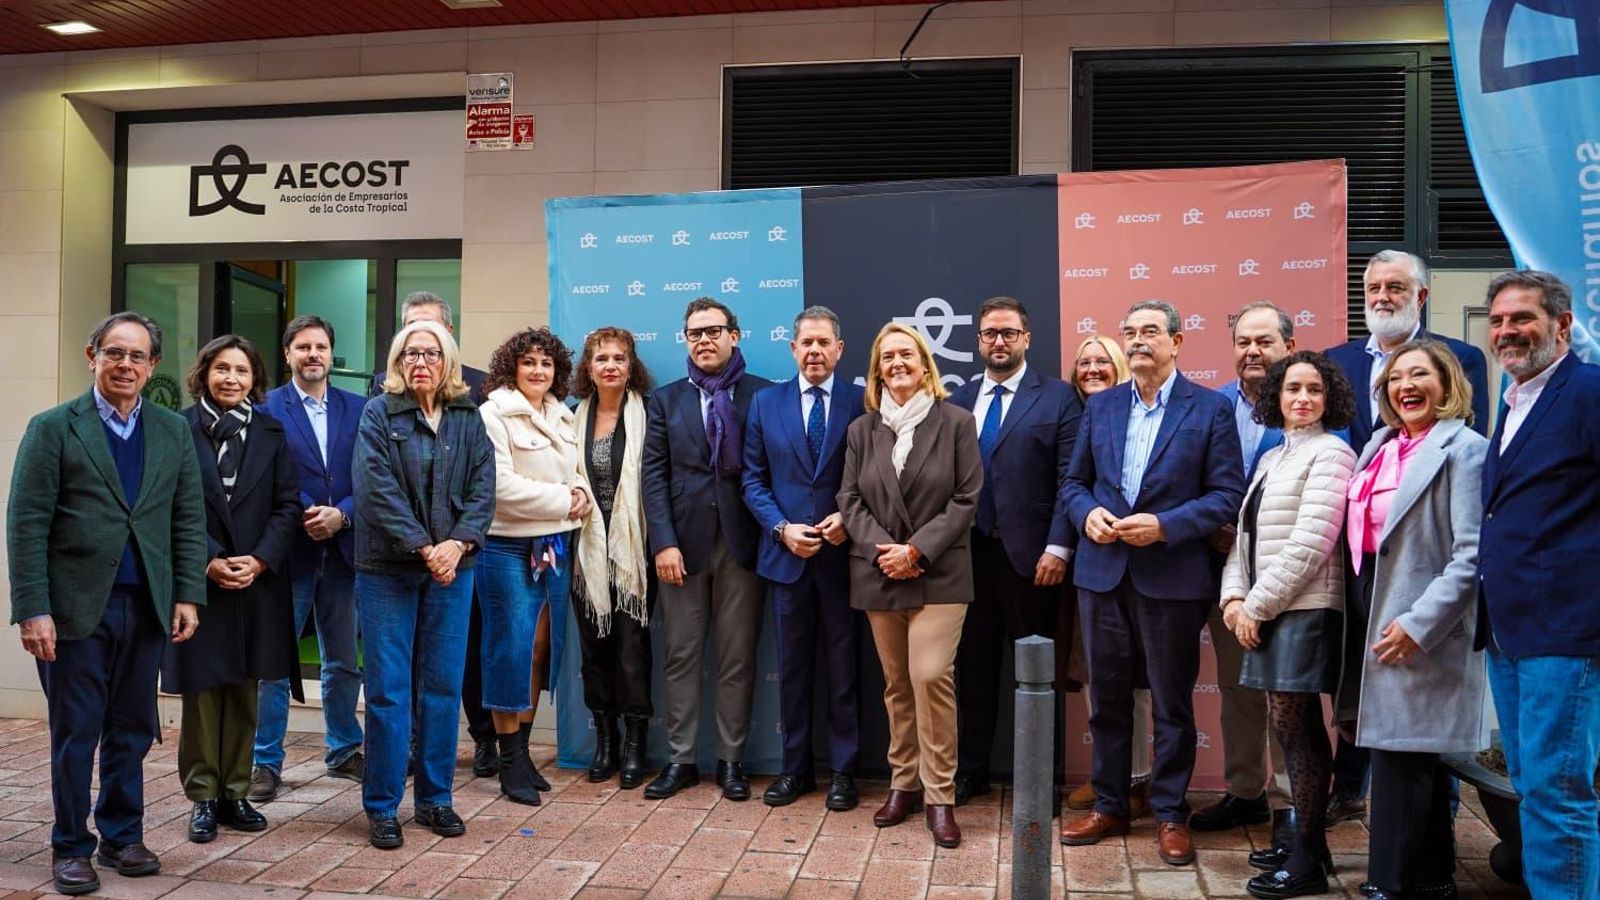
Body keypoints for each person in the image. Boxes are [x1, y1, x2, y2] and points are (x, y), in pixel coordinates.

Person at [8, 312, 207, 895]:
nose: (125, 365)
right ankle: (71, 846)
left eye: (137, 356)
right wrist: (33, 608)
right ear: (91, 356)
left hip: (146, 605)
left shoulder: (172, 431)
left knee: (132, 729)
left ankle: (123, 835)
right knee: (77, 731)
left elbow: (187, 518)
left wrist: (188, 593)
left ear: (152, 366)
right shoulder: (53, 428)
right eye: (114, 353)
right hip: (73, 611)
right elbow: (26, 523)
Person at [1057, 301, 1244, 867]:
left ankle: (1168, 812)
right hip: (1102, 573)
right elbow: (1073, 482)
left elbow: (1225, 496)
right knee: (1107, 700)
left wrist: (1165, 526)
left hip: (1172, 577)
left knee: (1170, 705)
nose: (1139, 342)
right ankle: (1111, 804)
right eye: (1130, 333)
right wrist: (1086, 513)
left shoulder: (1209, 409)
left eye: (1151, 332)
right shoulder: (1103, 406)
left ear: (1178, 342)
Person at [1322, 250, 1489, 823]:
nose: (1382, 297)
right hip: (1358, 561)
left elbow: (1468, 451)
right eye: (1373, 288)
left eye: (1396, 287)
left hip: (1423, 556)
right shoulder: (1337, 359)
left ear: (1421, 295)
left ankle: (1430, 822)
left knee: (1419, 699)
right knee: (1361, 680)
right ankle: (1350, 789)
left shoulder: (1462, 357)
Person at [1338, 338, 1488, 900]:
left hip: (1418, 623)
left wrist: (1418, 625)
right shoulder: (1378, 444)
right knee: (1411, 754)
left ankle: (1388, 885)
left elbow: (1472, 555)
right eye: (1396, 378)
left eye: (1420, 375)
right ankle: (1432, 878)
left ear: (1447, 385)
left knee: (1401, 755)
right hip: (1370, 606)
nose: (1406, 386)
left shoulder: (1466, 449)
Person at [1477, 270, 1600, 900]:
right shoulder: (1513, 398)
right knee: (1531, 782)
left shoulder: (1587, 392)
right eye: (1498, 320)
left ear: (1562, 323)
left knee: (1558, 789)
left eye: (1521, 318)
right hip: (1509, 628)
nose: (1507, 331)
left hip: (1565, 628)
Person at [1217, 351, 1357, 899]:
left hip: (1304, 608)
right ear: (1275, 397)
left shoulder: (1332, 453)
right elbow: (1244, 541)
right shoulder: (1276, 456)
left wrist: (1256, 607)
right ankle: (1312, 845)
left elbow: (1311, 544)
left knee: (1296, 731)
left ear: (1330, 399)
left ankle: (1306, 860)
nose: (1302, 398)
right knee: (1288, 728)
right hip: (1270, 607)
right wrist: (1233, 598)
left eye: (1314, 390)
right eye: (1292, 388)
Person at [837, 322, 982, 849]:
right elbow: (849, 499)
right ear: (877, 370)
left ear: (926, 364)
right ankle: (903, 784)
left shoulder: (957, 422)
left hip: (939, 572)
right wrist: (886, 552)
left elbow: (966, 499)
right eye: (887, 357)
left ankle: (940, 794)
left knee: (929, 676)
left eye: (907, 354)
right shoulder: (862, 430)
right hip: (880, 572)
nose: (897, 363)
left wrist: (916, 550)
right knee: (896, 683)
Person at [353, 320, 495, 850]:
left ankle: (436, 800)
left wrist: (458, 544)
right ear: (396, 361)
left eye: (431, 353)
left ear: (448, 361)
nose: (420, 362)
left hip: (454, 570)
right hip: (388, 570)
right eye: (410, 353)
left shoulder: (466, 415)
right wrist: (424, 546)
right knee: (389, 692)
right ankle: (383, 806)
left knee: (440, 689)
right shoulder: (378, 413)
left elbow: (485, 487)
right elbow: (375, 489)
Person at [164, 335, 302, 843]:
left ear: (254, 380)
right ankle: (202, 796)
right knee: (203, 690)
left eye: (242, 371)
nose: (231, 379)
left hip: (256, 580)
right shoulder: (177, 428)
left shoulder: (271, 430)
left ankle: (236, 792)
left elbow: (288, 504)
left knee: (247, 687)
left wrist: (260, 559)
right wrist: (207, 560)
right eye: (222, 369)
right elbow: (168, 505)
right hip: (199, 581)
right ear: (204, 373)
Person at [948, 297, 1081, 806]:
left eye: (1008, 333)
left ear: (1026, 338)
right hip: (968, 559)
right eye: (988, 334)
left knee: (1036, 674)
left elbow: (1071, 478)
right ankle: (972, 770)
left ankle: (1040, 780)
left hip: (1034, 562)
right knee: (974, 671)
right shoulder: (958, 401)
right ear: (978, 341)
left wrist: (1058, 546)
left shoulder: (1057, 398)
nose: (998, 341)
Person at [642, 297, 772, 801]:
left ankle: (731, 761)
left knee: (738, 658)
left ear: (734, 336)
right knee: (681, 656)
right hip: (683, 549)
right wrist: (664, 543)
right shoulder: (666, 400)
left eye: (714, 331)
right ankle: (680, 760)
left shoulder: (761, 396)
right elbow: (652, 477)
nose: (704, 340)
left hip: (744, 545)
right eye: (694, 332)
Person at [741, 306, 866, 810]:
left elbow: (875, 475)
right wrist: (780, 528)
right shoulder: (766, 403)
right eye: (805, 343)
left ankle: (843, 773)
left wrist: (847, 517)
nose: (814, 352)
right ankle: (795, 771)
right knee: (792, 671)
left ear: (839, 349)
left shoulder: (863, 402)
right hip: (787, 556)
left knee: (844, 669)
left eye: (824, 343)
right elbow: (752, 478)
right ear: (792, 349)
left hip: (842, 559)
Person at [1192, 303, 1297, 842]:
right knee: (1236, 687)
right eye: (1242, 342)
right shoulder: (1212, 406)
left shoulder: (1307, 404)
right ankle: (1245, 793)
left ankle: (1291, 808)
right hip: (1222, 569)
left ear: (1288, 348)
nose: (1252, 351)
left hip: (1288, 577)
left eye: (1264, 341)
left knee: (1286, 693)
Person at [251, 315, 367, 803]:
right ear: (288, 354)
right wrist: (307, 512)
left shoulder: (362, 409)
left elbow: (376, 476)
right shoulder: (265, 408)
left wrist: (342, 514)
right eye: (303, 347)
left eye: (320, 346)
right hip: (290, 551)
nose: (312, 354)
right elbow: (264, 473)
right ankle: (264, 761)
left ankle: (344, 749)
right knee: (274, 663)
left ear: (331, 354)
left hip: (344, 551)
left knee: (343, 660)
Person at [477, 327, 591, 806]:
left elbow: (575, 470)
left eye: (546, 364)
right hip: (505, 548)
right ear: (512, 368)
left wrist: (580, 491)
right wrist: (567, 500)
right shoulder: (493, 413)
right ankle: (507, 760)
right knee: (511, 651)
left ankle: (521, 751)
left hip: (553, 547)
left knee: (542, 650)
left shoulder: (561, 414)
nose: (538, 371)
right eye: (529, 363)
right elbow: (500, 487)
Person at [1060, 334, 1155, 820]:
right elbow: (1070, 486)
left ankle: (1137, 782)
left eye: (1102, 361)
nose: (1092, 369)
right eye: (1083, 362)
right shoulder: (1078, 414)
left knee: (1137, 683)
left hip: (1142, 567)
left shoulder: (1141, 417)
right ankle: (1112, 781)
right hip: (1090, 568)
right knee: (1102, 680)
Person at [571, 328, 656, 789]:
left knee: (631, 651)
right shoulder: (571, 418)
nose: (610, 365)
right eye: (601, 358)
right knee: (594, 652)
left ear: (630, 366)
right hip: (586, 554)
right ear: (589, 367)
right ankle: (605, 738)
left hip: (633, 553)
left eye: (619, 359)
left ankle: (635, 744)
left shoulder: (649, 414)